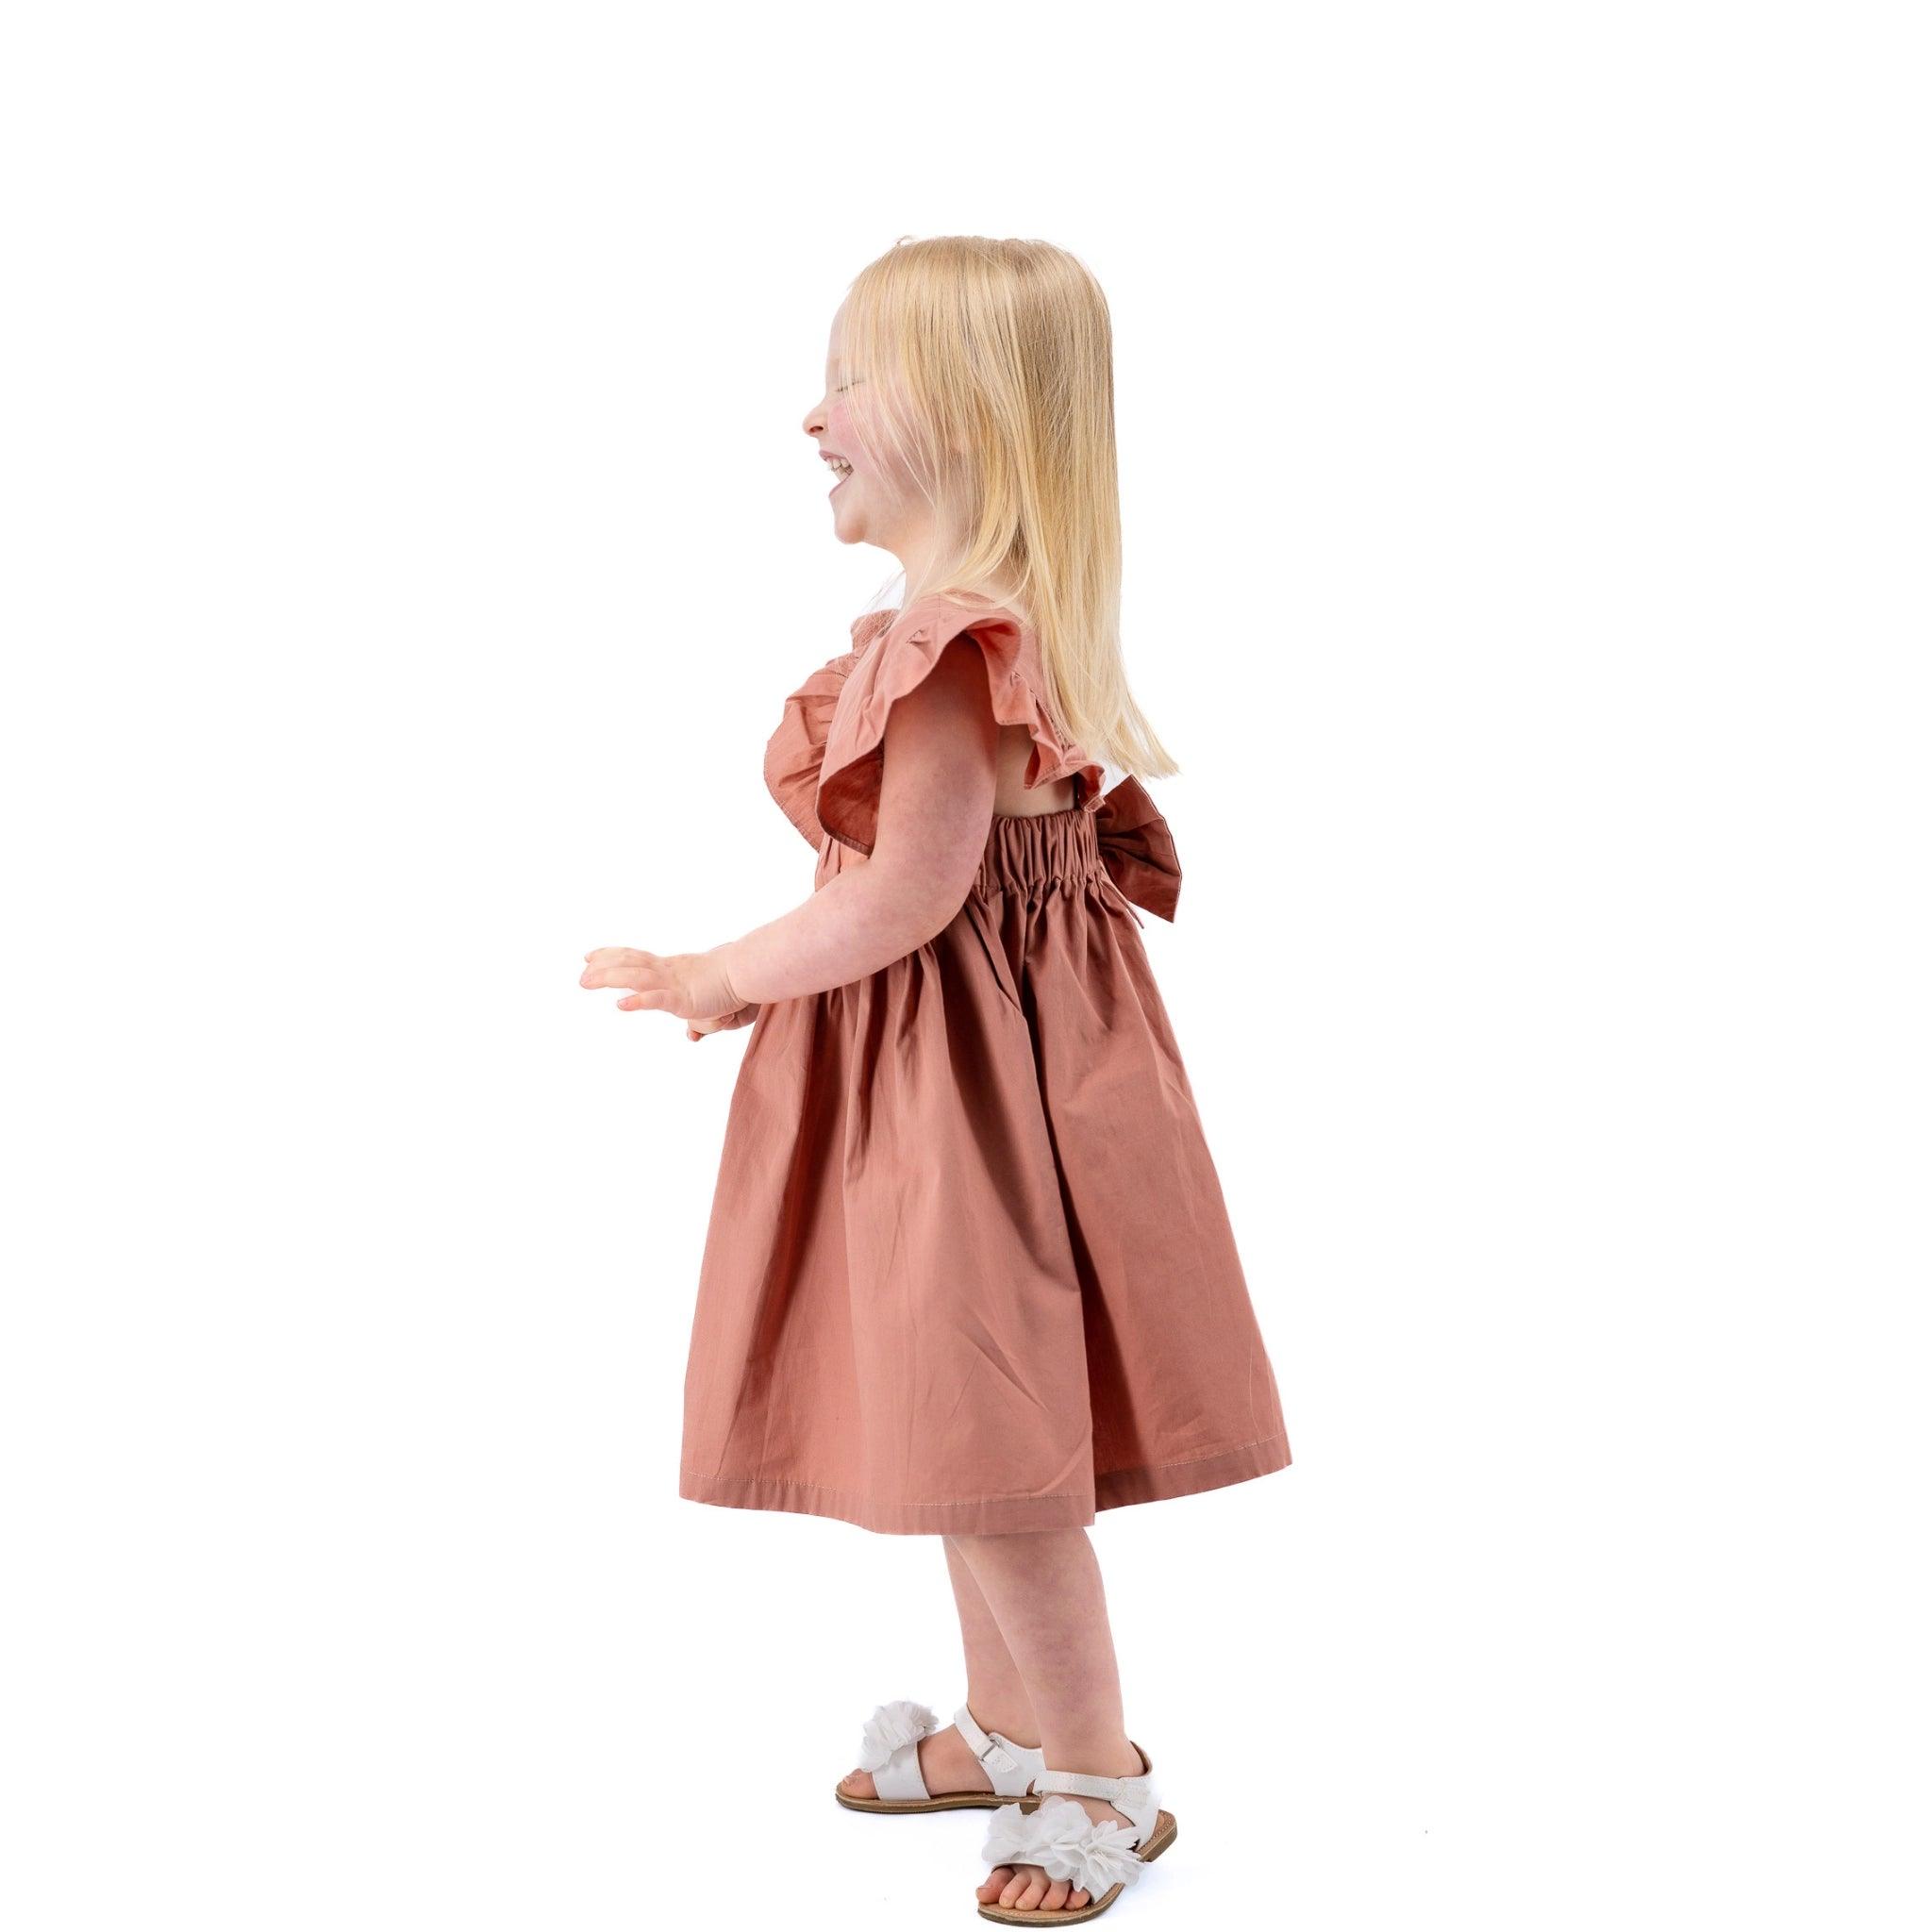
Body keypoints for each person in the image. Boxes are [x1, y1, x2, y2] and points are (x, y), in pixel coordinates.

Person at [580, 234, 1291, 1924]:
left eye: (851, 378)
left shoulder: (952, 650)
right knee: (971, 1433)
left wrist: (720, 976)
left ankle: (1097, 1774)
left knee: (996, 1446)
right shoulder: (978, 632)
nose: (810, 414)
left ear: (966, 414)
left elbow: (911, 892)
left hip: (960, 1095)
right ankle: (1007, 1724)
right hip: (978, 1075)